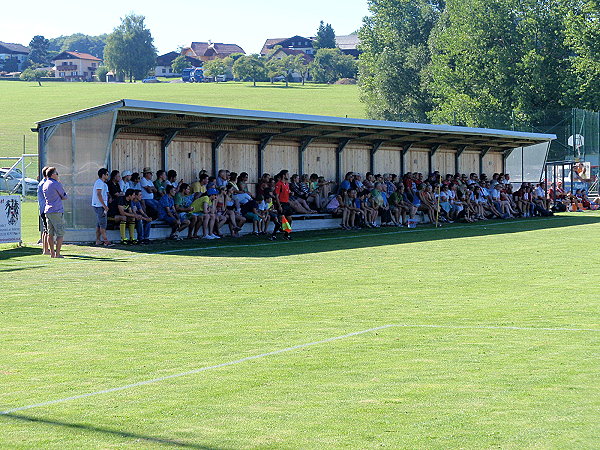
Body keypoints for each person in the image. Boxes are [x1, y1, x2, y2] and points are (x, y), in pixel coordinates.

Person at [42, 167, 67, 258]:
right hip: (57, 210)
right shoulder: (55, 184)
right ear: (52, 174)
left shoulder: (45, 184)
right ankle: (58, 253)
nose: (58, 175)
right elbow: (64, 196)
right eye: (56, 173)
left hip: (48, 210)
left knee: (50, 233)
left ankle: (52, 253)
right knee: (60, 233)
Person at [91, 168, 113, 247]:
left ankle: (98, 240)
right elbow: (99, 194)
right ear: (103, 175)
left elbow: (106, 193)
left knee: (99, 224)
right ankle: (105, 240)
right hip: (99, 206)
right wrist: (105, 206)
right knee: (103, 223)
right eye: (107, 174)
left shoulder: (104, 184)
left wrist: (109, 197)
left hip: (101, 205)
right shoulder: (99, 182)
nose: (108, 176)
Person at [37, 166, 50, 255]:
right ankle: (46, 250)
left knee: (45, 230)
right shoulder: (44, 184)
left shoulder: (43, 183)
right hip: (45, 209)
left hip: (43, 209)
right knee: (47, 230)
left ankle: (45, 248)